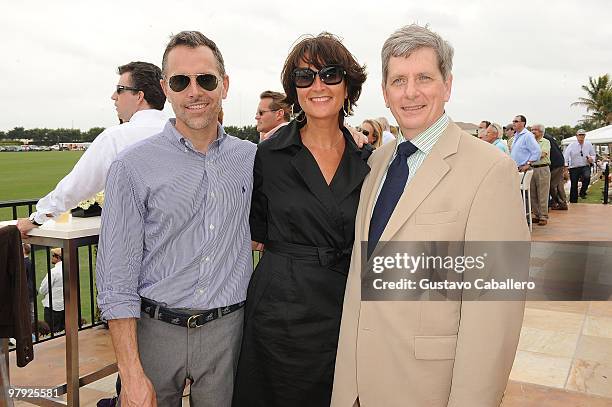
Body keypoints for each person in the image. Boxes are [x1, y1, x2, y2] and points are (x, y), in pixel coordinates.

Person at [332, 24, 530, 407]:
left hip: (426, 390)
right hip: (357, 384)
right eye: (398, 80)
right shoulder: (376, 164)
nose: (411, 92)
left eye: (424, 77)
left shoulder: (491, 172)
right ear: (386, 94)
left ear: (448, 85)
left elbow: (494, 317)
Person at [96, 31, 256, 407]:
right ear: (166, 89)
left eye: (206, 79)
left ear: (225, 85)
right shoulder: (131, 167)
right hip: (155, 333)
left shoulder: (252, 160)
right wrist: (131, 374)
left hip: (228, 334)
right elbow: (116, 278)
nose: (194, 92)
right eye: (181, 81)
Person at [233, 33, 370, 407]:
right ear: (294, 90)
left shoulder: (369, 160)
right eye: (304, 77)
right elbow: (256, 230)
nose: (318, 85)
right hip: (280, 312)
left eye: (330, 74)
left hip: (346, 309)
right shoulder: (269, 155)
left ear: (348, 85)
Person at [16, 62, 167, 236]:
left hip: (135, 244)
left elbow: (76, 186)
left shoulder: (116, 137)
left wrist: (36, 218)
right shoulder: (183, 133)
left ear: (139, 96)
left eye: (119, 89)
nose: (113, 96)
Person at [564, 128, 596, 202]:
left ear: (585, 136)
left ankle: (582, 192)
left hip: (585, 165)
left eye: (583, 135)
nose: (581, 137)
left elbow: (593, 155)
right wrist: (565, 165)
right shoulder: (572, 145)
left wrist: (591, 159)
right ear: (576, 136)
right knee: (574, 184)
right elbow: (566, 155)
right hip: (574, 167)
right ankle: (573, 201)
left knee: (587, 177)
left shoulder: (588, 144)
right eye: (580, 135)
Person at [530, 124, 551, 225]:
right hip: (531, 168)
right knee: (532, 193)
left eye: (535, 130)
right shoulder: (530, 142)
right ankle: (536, 214)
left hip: (542, 168)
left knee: (542, 193)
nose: (533, 132)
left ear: (541, 132)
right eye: (532, 130)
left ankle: (543, 216)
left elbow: (543, 154)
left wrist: (530, 157)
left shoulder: (545, 141)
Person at [39, 248, 64, 333]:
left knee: (51, 332)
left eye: (53, 256)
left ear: (58, 257)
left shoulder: (53, 272)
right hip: (65, 304)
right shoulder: (68, 269)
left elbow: (43, 290)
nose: (52, 258)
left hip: (52, 306)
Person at [543, 128, 568, 210]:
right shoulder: (547, 137)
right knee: (557, 184)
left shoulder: (544, 139)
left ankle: (561, 203)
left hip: (556, 164)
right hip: (558, 162)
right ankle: (558, 202)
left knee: (554, 185)